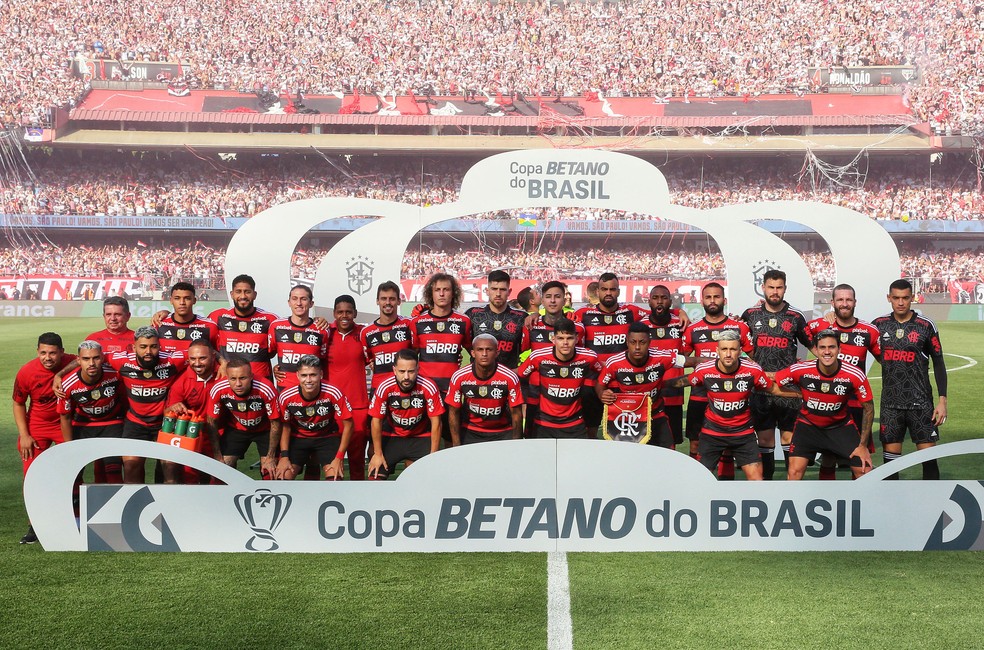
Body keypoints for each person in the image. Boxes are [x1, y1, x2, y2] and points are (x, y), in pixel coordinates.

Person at [673, 330, 798, 480]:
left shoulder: (752, 370)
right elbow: (683, 382)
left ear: (740, 351)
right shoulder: (704, 370)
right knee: (699, 480)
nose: (728, 354)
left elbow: (774, 389)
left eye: (733, 349)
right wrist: (656, 386)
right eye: (724, 349)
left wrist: (803, 394)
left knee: (757, 480)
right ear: (717, 350)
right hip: (713, 433)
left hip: (743, 434)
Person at [872, 279, 947, 480]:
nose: (901, 302)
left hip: (921, 404)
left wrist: (942, 401)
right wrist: (831, 317)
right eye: (896, 298)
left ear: (912, 298)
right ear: (889, 298)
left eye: (905, 298)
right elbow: (852, 334)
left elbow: (939, 363)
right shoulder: (878, 325)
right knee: (890, 465)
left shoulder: (926, 325)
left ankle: (932, 507)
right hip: (890, 404)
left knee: (929, 460)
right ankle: (892, 508)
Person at [775, 330, 874, 480]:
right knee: (794, 473)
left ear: (839, 350)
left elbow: (869, 409)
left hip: (840, 427)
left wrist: (863, 446)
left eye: (832, 347)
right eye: (822, 347)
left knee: (864, 471)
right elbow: (775, 382)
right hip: (808, 426)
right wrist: (799, 393)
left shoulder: (854, 374)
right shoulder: (801, 369)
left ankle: (860, 503)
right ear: (816, 350)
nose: (827, 352)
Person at [805, 283, 881, 480]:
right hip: (828, 404)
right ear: (832, 303)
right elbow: (793, 331)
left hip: (856, 405)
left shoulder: (869, 331)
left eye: (848, 300)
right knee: (829, 457)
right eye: (840, 300)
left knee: (859, 461)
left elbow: (886, 360)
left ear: (855, 302)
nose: (844, 304)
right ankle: (827, 498)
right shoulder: (820, 326)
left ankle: (859, 505)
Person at [740, 269, 811, 479]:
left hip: (788, 390)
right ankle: (768, 487)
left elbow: (815, 347)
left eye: (779, 287)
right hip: (761, 390)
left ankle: (790, 487)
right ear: (763, 288)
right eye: (771, 287)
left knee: (789, 440)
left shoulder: (796, 317)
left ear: (785, 289)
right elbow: (742, 344)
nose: (775, 292)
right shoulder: (750, 315)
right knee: (765, 441)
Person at [681, 282, 753, 472]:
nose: (712, 301)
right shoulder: (692, 330)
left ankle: (725, 488)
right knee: (695, 444)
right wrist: (701, 361)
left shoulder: (739, 328)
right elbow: (681, 359)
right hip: (699, 396)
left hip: (731, 397)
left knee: (728, 449)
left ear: (724, 300)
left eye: (717, 297)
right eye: (708, 297)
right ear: (702, 301)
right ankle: (696, 486)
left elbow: (755, 359)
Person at [13, 332, 75, 544]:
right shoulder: (27, 372)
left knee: (73, 471)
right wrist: (25, 435)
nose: (47, 358)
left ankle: (73, 519)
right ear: (37, 352)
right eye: (43, 353)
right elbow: (19, 403)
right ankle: (34, 525)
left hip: (65, 423)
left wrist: (60, 374)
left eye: (52, 353)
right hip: (37, 425)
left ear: (62, 353)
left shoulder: (73, 362)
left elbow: (86, 358)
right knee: (32, 475)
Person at [105, 327, 187, 483]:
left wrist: (222, 362)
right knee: (130, 467)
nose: (148, 351)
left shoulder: (172, 361)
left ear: (159, 346)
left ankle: (167, 506)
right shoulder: (122, 361)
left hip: (165, 424)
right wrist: (60, 376)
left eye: (153, 346)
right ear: (134, 347)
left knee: (170, 469)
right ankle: (135, 506)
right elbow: (88, 357)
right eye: (143, 347)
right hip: (136, 423)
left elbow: (203, 352)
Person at [573, 273, 652, 434]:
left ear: (618, 291)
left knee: (624, 434)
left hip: (621, 384)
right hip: (592, 383)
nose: (608, 293)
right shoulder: (583, 314)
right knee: (589, 433)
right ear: (598, 292)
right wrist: (535, 315)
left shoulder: (631, 312)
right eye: (604, 289)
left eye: (612, 289)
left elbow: (658, 315)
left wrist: (679, 312)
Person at [596, 321, 692, 447]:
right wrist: (602, 394)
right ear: (627, 342)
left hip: (656, 414)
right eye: (632, 342)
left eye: (642, 342)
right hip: (629, 418)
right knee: (630, 458)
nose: (637, 347)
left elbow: (692, 361)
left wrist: (720, 362)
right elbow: (600, 384)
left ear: (649, 343)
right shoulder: (614, 363)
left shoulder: (662, 357)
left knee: (667, 454)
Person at [410, 273, 472, 443]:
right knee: (422, 441)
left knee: (452, 441)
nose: (442, 293)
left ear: (454, 293)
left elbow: (473, 353)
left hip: (451, 393)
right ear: (431, 293)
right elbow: (411, 356)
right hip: (424, 392)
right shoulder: (418, 322)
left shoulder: (463, 322)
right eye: (438, 290)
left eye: (446, 289)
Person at [367, 349, 445, 480]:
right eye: (402, 371)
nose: (407, 377)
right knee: (375, 476)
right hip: (393, 436)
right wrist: (378, 453)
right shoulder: (384, 387)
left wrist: (433, 456)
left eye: (411, 371)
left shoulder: (428, 386)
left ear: (418, 369)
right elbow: (376, 421)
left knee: (425, 479)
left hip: (420, 437)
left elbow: (436, 422)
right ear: (394, 370)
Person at [518, 318, 602, 439]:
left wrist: (602, 391)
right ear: (553, 339)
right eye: (561, 338)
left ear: (577, 339)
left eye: (570, 338)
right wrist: (525, 402)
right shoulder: (538, 357)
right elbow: (519, 377)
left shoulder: (589, 357)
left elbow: (605, 374)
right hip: (544, 424)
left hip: (574, 424)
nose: (565, 343)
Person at [57, 341, 126, 485]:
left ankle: (118, 506)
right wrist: (69, 446)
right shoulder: (67, 384)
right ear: (78, 360)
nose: (91, 363)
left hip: (112, 422)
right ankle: (76, 505)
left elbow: (124, 399)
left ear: (102, 357)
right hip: (84, 424)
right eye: (86, 359)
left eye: (96, 358)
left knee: (113, 469)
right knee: (74, 470)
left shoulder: (115, 373)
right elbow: (65, 417)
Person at [276, 355, 354, 481]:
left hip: (326, 437)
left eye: (313, 375)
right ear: (297, 375)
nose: (308, 380)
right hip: (299, 438)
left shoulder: (333, 392)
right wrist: (284, 456)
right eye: (304, 375)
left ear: (321, 374)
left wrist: (339, 457)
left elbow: (349, 424)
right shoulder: (286, 396)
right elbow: (285, 425)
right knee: (283, 478)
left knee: (335, 478)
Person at [204, 356, 281, 477]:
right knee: (221, 469)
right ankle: (227, 495)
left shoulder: (265, 388)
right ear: (227, 378)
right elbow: (211, 422)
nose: (238, 383)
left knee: (270, 472)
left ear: (251, 376)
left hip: (265, 430)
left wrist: (270, 457)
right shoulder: (218, 388)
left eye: (243, 378)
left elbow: (275, 423)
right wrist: (217, 456)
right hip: (236, 429)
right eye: (233, 379)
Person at [446, 333, 524, 445]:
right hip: (471, 430)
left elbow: (516, 413)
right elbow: (454, 412)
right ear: (473, 353)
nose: (484, 354)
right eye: (480, 350)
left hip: (502, 431)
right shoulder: (459, 377)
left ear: (497, 352)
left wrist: (517, 444)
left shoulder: (509, 377)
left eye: (489, 350)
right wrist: (456, 444)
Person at [165, 340, 224, 482]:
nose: (197, 363)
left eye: (202, 358)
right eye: (193, 359)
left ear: (213, 356)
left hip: (221, 434)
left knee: (219, 479)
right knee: (190, 478)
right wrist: (174, 408)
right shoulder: (182, 381)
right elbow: (167, 411)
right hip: (193, 435)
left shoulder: (226, 374)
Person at [326, 295, 370, 480]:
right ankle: (333, 499)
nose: (344, 316)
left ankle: (358, 501)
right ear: (334, 313)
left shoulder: (363, 334)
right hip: (330, 407)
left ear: (355, 313)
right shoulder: (325, 333)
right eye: (340, 312)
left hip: (358, 406)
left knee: (357, 460)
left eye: (348, 312)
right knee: (331, 460)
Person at [207, 274, 278, 380]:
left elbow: (278, 350)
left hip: (260, 384)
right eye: (238, 291)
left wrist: (280, 366)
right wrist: (221, 361)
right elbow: (206, 347)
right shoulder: (217, 317)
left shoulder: (270, 320)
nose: (243, 296)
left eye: (247, 292)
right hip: (228, 382)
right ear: (232, 294)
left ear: (254, 295)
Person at [644, 284, 687, 447]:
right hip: (648, 392)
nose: (659, 302)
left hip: (674, 391)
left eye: (663, 298)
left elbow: (688, 352)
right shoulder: (641, 325)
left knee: (671, 442)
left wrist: (680, 311)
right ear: (649, 302)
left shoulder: (681, 323)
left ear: (670, 301)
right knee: (646, 439)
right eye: (655, 298)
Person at [464, 270, 529, 369]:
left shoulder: (521, 317)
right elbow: (461, 342)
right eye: (494, 289)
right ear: (487, 291)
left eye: (502, 289)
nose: (498, 294)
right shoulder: (473, 314)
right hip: (478, 377)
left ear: (509, 292)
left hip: (508, 377)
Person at [269, 284, 328, 391]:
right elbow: (267, 354)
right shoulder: (276, 326)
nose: (299, 303)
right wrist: (275, 368)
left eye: (303, 299)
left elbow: (323, 362)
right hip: (284, 390)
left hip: (312, 391)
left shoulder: (321, 329)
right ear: (289, 302)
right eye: (294, 299)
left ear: (311, 303)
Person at [361, 281, 414, 393]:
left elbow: (418, 350)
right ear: (377, 301)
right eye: (383, 299)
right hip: (379, 391)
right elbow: (369, 361)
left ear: (399, 301)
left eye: (392, 299)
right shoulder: (367, 332)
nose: (388, 302)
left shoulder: (409, 325)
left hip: (405, 391)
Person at [156, 282, 219, 354]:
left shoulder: (210, 327)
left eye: (187, 298)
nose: (182, 302)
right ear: (171, 300)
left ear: (194, 300)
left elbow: (217, 355)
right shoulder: (159, 323)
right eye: (177, 298)